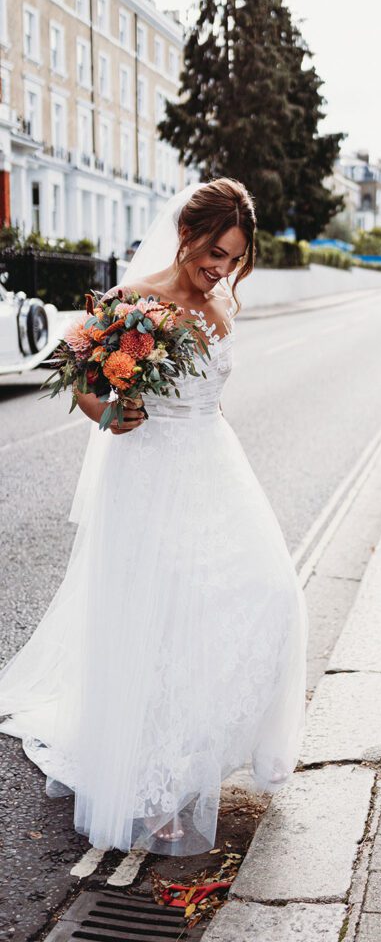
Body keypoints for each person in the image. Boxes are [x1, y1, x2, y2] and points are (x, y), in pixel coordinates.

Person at [0, 179, 308, 856]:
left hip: (214, 461)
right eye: (213, 253)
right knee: (166, 617)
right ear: (187, 234)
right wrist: (108, 412)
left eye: (233, 257)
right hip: (150, 472)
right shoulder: (132, 299)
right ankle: (152, 782)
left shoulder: (222, 300)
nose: (221, 268)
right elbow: (74, 371)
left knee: (270, 590)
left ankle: (213, 745)